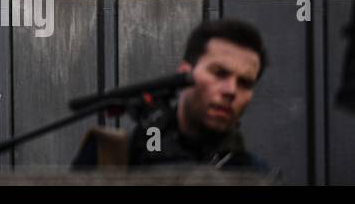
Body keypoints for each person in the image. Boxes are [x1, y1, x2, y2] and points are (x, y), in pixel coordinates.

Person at [73, 18, 268, 171]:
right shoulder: (108, 159)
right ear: (184, 73)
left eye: (244, 83)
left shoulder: (256, 176)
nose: (231, 90)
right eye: (219, 73)